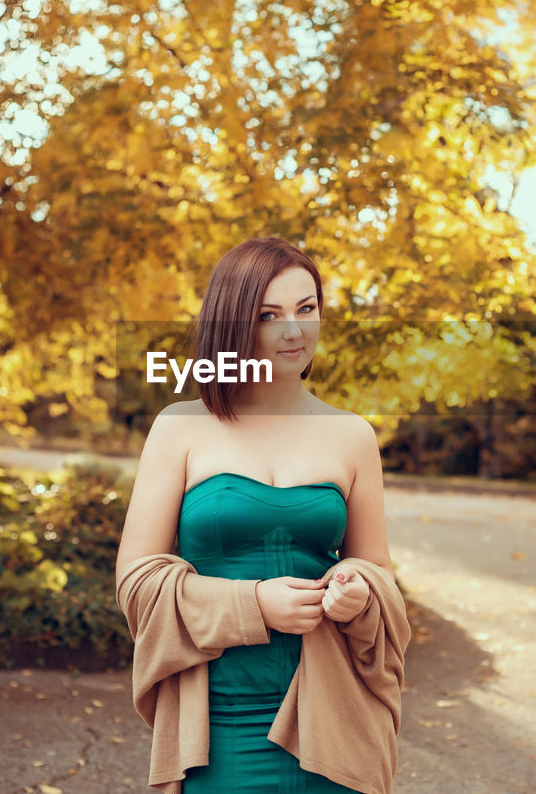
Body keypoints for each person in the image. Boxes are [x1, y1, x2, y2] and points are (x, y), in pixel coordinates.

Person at [115, 236, 410, 794]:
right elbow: (136, 581)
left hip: (332, 716)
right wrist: (253, 606)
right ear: (233, 325)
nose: (294, 332)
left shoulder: (352, 436)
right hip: (219, 722)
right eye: (268, 315)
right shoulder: (179, 427)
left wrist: (357, 593)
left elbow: (377, 574)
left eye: (306, 309)